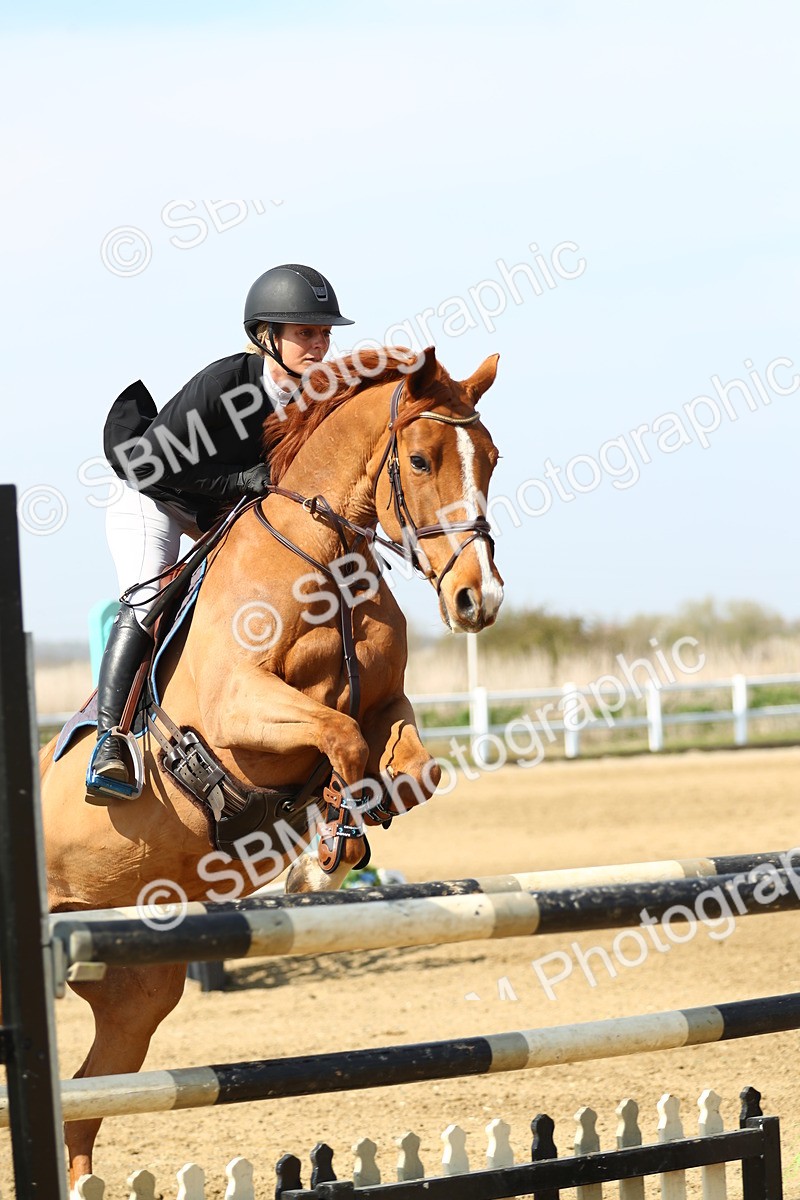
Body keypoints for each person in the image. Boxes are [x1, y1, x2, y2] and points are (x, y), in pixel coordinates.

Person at [87, 264, 354, 800]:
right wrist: (237, 479)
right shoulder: (224, 385)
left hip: (222, 510)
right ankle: (110, 740)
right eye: (306, 332)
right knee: (152, 595)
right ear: (265, 337)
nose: (319, 344)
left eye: (324, 333)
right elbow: (146, 465)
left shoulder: (321, 394)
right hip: (154, 499)